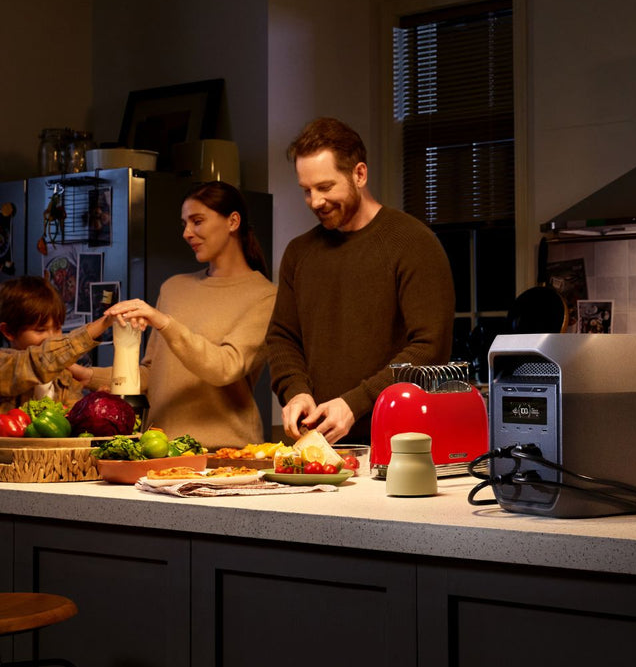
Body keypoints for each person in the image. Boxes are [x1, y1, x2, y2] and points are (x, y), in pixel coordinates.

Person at [267, 117, 455, 444]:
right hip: (317, 448)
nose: (315, 201)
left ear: (359, 174)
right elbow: (282, 338)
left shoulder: (413, 242)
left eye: (325, 187)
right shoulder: (299, 253)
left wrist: (356, 403)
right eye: (307, 190)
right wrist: (296, 391)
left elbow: (430, 348)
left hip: (399, 446)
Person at [78, 181, 277, 449]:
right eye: (184, 224)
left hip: (225, 452)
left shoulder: (264, 296)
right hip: (159, 446)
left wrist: (164, 323)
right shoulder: (173, 288)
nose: (187, 233)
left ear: (233, 221)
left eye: (197, 221)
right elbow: (152, 374)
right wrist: (88, 376)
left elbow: (226, 367)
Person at [0, 275, 112, 414]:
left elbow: (71, 417)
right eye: (40, 330)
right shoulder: (4, 364)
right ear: (8, 331)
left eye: (57, 328)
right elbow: (38, 362)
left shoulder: (64, 376)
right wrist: (102, 324)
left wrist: (91, 404)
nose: (52, 338)